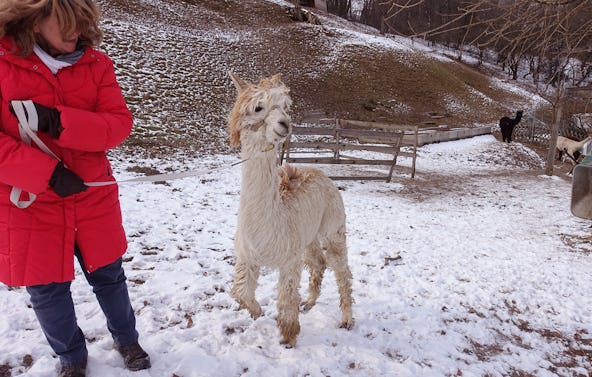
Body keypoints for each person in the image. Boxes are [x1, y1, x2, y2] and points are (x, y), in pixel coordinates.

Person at [0, 1, 150, 376]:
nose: (76, 34)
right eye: (67, 25)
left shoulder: (97, 65)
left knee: (109, 275)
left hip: (91, 193)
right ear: (35, 23)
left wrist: (58, 121)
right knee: (46, 289)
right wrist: (44, 173)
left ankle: (127, 338)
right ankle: (71, 356)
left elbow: (118, 125)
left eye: (82, 24)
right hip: (29, 201)